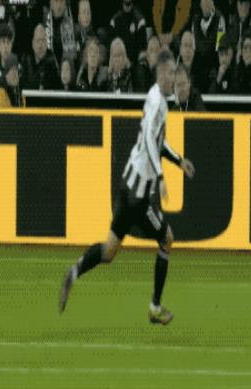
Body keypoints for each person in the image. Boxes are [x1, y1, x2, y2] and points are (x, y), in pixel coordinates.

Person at [59, 49, 196, 325]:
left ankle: (74, 271)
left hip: (126, 185)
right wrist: (161, 177)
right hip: (138, 195)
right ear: (161, 74)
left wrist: (178, 160)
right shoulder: (159, 104)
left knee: (109, 250)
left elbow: (156, 141)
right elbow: (150, 143)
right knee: (167, 239)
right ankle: (155, 307)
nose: (174, 78)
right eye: (171, 73)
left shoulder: (155, 97)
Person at [21, 23, 60, 90]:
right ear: (33, 44)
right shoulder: (26, 60)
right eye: (38, 40)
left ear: (47, 44)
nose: (40, 45)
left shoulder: (52, 62)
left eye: (43, 40)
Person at [109, 0, 146, 66]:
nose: (127, 6)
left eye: (129, 3)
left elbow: (142, 47)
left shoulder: (140, 20)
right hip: (119, 59)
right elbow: (112, 46)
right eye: (125, 3)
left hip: (135, 61)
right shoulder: (115, 20)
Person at [0, 23, 15, 87]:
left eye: (8, 42)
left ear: (11, 45)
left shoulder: (18, 69)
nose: (6, 46)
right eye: (3, 42)